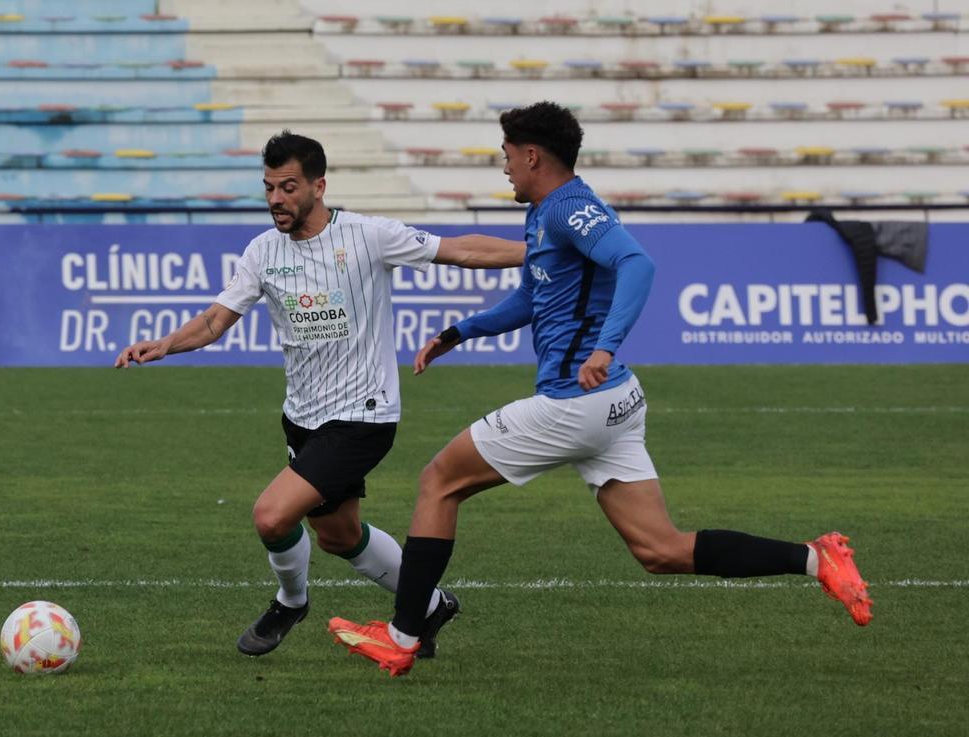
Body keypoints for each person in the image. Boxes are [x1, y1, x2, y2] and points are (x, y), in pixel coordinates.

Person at [328, 102, 873, 677]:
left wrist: (605, 346)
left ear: (532, 154)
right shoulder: (544, 213)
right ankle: (817, 560)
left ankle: (403, 634)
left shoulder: (571, 208)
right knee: (660, 550)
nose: (504, 167)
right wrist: (460, 331)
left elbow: (638, 264)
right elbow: (535, 298)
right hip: (616, 405)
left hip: (575, 402)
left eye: (508, 155)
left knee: (439, 481)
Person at [115, 131, 526, 658]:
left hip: (364, 415)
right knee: (337, 535)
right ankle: (429, 608)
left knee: (271, 515)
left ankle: (291, 601)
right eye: (268, 188)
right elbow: (217, 319)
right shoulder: (263, 251)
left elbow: (460, 250)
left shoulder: (368, 236)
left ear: (318, 185)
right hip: (303, 418)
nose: (275, 200)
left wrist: (541, 250)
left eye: (288, 187)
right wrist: (167, 344)